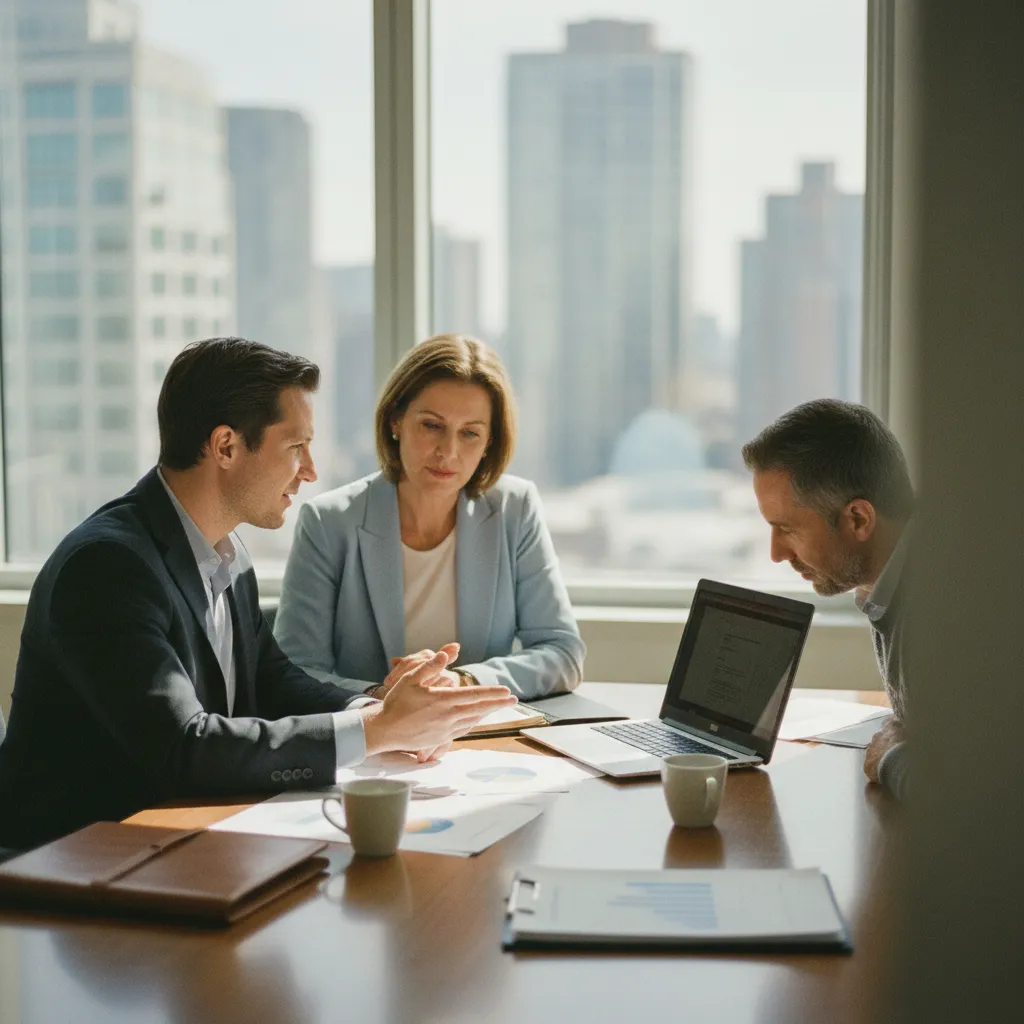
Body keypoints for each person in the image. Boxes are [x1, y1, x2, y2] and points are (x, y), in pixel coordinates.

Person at [0, 338, 516, 850]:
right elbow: (184, 747)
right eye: (296, 447)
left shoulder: (225, 550)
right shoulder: (107, 568)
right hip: (72, 868)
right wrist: (375, 728)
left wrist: (385, 705)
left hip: (185, 842)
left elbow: (271, 680)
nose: (311, 470)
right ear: (225, 446)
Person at [274, 334, 584, 701]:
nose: (447, 452)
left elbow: (562, 652)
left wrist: (461, 682)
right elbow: (296, 671)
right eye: (432, 426)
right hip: (373, 742)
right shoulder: (328, 523)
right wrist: (386, 698)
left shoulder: (514, 510)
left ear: (489, 444)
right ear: (396, 421)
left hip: (482, 738)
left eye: (470, 433)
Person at [741, 399, 913, 800]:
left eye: (787, 529)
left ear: (858, 519)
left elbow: (982, 791)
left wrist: (893, 758)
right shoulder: (891, 582)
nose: (776, 553)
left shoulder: (951, 600)